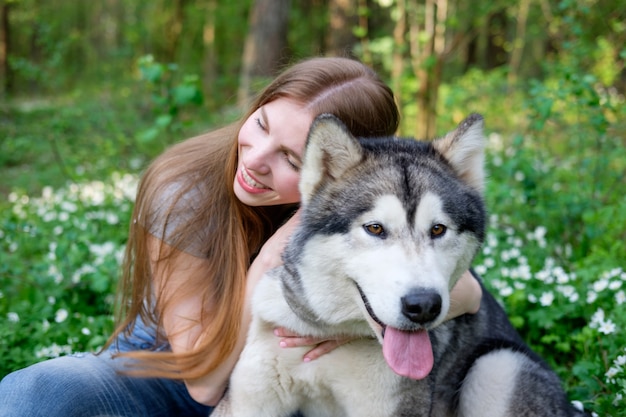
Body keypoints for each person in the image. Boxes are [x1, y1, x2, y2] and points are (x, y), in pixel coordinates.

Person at [0, 56, 482, 417]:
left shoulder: (368, 209)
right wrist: (272, 257)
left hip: (300, 375)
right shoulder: (184, 187)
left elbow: (469, 294)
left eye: (292, 159)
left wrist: (343, 322)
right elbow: (205, 384)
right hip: (171, 368)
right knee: (35, 395)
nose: (253, 159)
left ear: (336, 165)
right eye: (261, 124)